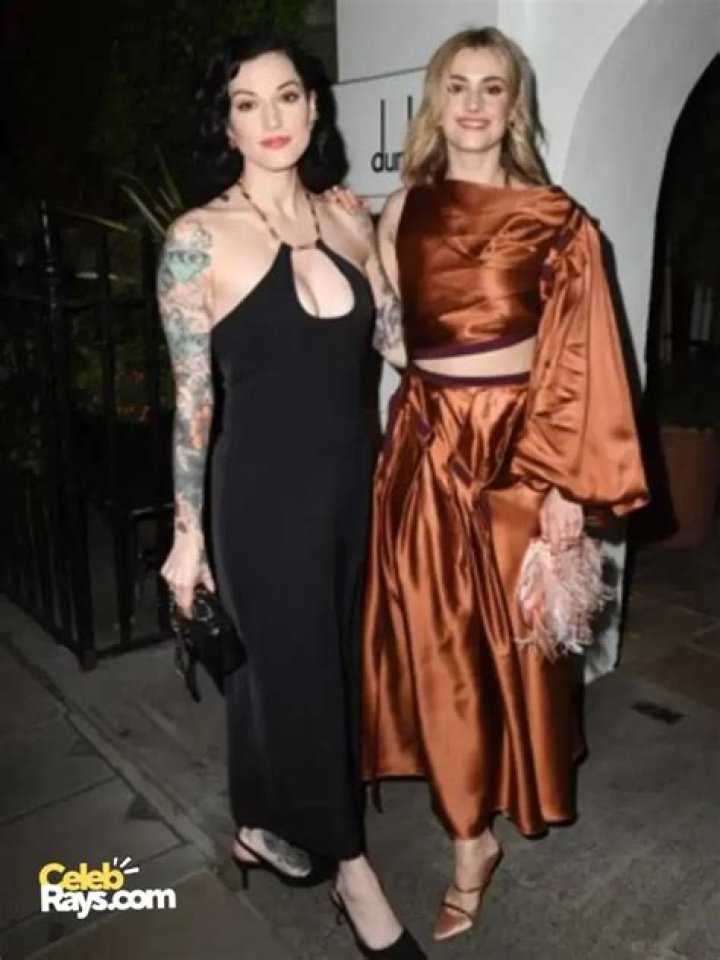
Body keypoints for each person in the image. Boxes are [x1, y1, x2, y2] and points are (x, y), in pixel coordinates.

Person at [360, 26, 649, 943]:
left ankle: (501, 790)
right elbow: (394, 333)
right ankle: (467, 839)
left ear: (514, 105)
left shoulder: (558, 219)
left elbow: (584, 358)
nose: (475, 104)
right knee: (436, 645)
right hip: (423, 449)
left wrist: (566, 486)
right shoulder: (403, 210)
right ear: (436, 101)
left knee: (516, 653)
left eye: (493, 87)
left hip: (521, 459)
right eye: (459, 86)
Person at [158, 33, 424, 959]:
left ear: (314, 107)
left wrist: (386, 240)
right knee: (297, 676)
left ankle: (259, 823)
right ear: (227, 124)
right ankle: (353, 873)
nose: (270, 118)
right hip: (261, 503)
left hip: (352, 490)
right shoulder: (196, 239)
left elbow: (398, 346)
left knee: (322, 674)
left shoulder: (348, 222)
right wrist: (188, 535)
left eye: (286, 96)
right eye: (247, 103)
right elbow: (193, 402)